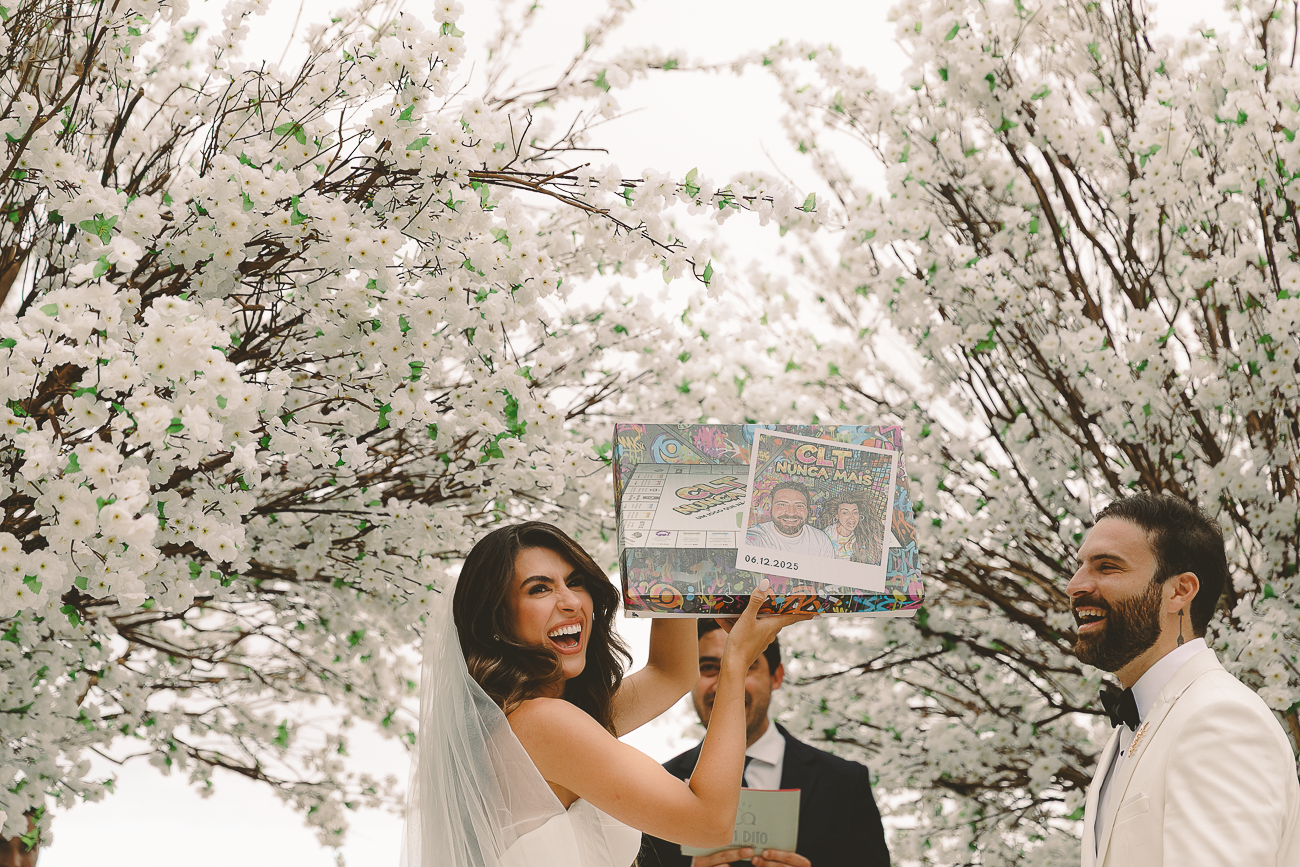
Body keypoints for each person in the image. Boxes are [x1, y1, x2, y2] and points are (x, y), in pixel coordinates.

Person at [403, 521, 811, 867]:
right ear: (497, 620)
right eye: (539, 589)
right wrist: (736, 660)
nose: (569, 601)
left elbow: (671, 674)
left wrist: (681, 571)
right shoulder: (542, 723)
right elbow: (710, 824)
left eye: (575, 582)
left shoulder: (525, 722)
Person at [1069, 493, 1300, 867]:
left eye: (1107, 567)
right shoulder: (1129, 731)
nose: (1075, 585)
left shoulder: (1219, 719)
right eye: (1079, 566)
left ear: (1179, 591)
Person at [644, 621, 891, 867]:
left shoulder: (845, 783)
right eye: (708, 668)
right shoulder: (658, 787)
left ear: (776, 676)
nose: (725, 684)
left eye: (746, 665)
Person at [746, 482, 836, 559]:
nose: (791, 513)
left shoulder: (821, 540)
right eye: (782, 504)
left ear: (808, 510)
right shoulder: (756, 536)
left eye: (799, 505)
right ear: (771, 507)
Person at [820, 496, 884, 565]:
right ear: (837, 516)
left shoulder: (863, 533)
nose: (852, 517)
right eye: (845, 513)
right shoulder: (827, 535)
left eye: (855, 512)